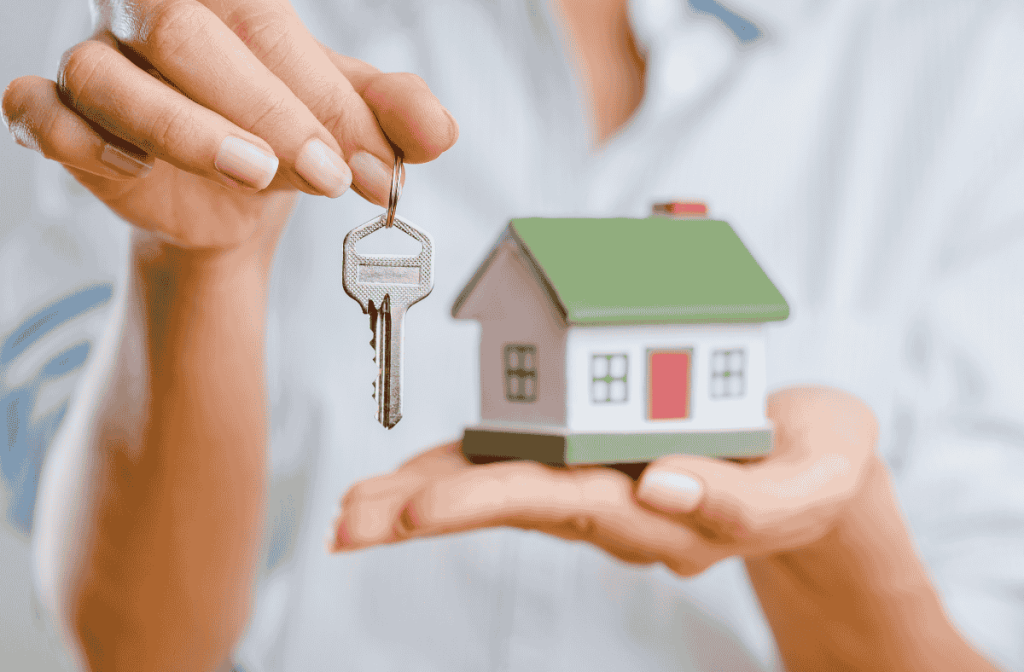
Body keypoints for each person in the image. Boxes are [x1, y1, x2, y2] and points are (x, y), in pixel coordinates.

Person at [3, 0, 1023, 670]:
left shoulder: (970, 63)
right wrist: (202, 267)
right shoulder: (179, 26)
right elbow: (134, 645)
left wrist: (835, 543)